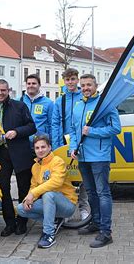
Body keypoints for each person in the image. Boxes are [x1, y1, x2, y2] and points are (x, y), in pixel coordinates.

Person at [69, 74, 121, 248]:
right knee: (91, 192)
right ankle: (96, 223)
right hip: (82, 156)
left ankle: (106, 232)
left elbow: (116, 128)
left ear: (95, 86)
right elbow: (74, 129)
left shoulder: (105, 105)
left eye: (89, 85)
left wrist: (92, 131)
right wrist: (72, 147)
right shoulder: (77, 105)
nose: (85, 88)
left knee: (102, 193)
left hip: (99, 156)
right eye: (83, 85)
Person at [0, 79, 36, 237]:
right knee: (4, 188)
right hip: (0, 154)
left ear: (8, 91)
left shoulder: (19, 106)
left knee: (23, 188)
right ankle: (10, 223)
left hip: (20, 152)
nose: (0, 93)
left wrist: (17, 132)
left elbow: (32, 127)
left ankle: (22, 222)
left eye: (3, 90)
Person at [17, 135, 77, 248]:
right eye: (37, 148)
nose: (40, 150)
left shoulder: (57, 161)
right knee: (21, 209)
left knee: (48, 194)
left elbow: (56, 182)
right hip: (49, 203)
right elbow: (33, 186)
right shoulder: (35, 167)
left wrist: (33, 194)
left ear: (49, 147)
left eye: (43, 147)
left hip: (67, 204)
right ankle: (53, 221)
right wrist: (28, 199)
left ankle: (49, 234)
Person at [51, 68, 90, 222]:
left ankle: (84, 208)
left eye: (73, 79)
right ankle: (66, 210)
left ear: (77, 80)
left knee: (83, 177)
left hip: (81, 143)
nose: (70, 82)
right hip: (63, 144)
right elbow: (55, 123)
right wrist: (56, 146)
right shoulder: (60, 101)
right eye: (67, 80)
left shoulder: (84, 97)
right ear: (64, 81)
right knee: (65, 178)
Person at [20, 74, 54, 148]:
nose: (31, 85)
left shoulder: (48, 103)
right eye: (29, 83)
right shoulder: (20, 101)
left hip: (41, 145)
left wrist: (51, 143)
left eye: (34, 83)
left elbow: (52, 125)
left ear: (39, 85)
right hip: (23, 143)